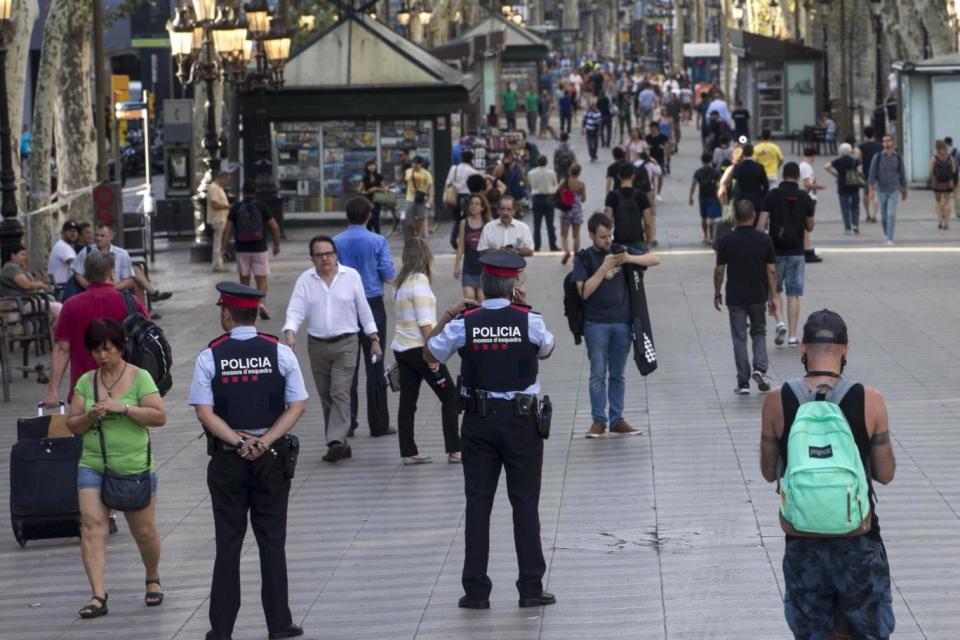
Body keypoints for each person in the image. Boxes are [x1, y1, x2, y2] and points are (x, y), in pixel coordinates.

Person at [424, 252, 556, 611]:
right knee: (525, 502)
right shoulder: (529, 320)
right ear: (513, 285)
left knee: (478, 503)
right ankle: (530, 586)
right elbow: (546, 349)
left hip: (479, 424)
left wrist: (451, 312)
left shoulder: (465, 322)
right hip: (521, 422)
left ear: (483, 285)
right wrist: (524, 310)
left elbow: (430, 353)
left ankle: (476, 590)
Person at [760, 310, 896, 640]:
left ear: (803, 348)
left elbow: (768, 472)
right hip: (857, 541)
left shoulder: (778, 399)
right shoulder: (870, 399)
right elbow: (885, 473)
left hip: (802, 541)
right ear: (846, 350)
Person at [189, 282, 308, 640]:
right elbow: (297, 405)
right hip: (271, 459)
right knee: (272, 542)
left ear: (226, 313)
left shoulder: (210, 355)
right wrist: (265, 441)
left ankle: (221, 628)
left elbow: (204, 413)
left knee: (228, 543)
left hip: (228, 459)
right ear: (255, 313)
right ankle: (279, 624)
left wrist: (239, 441)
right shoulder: (280, 352)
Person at [66, 318, 167, 619]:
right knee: (91, 525)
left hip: (134, 466)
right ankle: (98, 594)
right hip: (93, 464)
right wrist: (91, 417)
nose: (102, 356)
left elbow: (159, 416)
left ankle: (152, 576)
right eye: (96, 351)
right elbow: (72, 424)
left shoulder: (140, 378)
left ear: (120, 346)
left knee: (144, 532)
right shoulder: (86, 382)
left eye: (107, 349)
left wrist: (122, 408)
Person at [283, 236, 380, 463]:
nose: (325, 258)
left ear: (336, 255)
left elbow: (363, 309)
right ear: (313, 258)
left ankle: (334, 441)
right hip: (317, 344)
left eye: (329, 253)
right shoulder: (305, 280)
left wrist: (373, 337)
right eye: (319, 255)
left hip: (346, 343)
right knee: (326, 396)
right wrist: (290, 331)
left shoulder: (351, 276)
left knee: (339, 391)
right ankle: (341, 444)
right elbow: (296, 309)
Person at [573, 213, 660, 438]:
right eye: (602, 237)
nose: (607, 240)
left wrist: (628, 258)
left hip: (623, 322)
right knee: (598, 373)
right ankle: (598, 420)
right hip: (595, 324)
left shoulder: (620, 250)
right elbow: (584, 292)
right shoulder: (584, 258)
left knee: (618, 374)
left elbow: (655, 259)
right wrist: (604, 268)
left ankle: (617, 418)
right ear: (591, 235)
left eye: (609, 235)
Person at [45, 251, 151, 408]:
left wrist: (53, 390)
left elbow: (62, 349)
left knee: (84, 430)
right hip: (128, 391)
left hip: (85, 393)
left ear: (86, 276)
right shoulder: (131, 302)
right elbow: (148, 339)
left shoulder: (71, 305)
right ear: (112, 273)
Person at [391, 238, 461, 465]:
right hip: (420, 349)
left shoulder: (400, 283)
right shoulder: (419, 281)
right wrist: (433, 355)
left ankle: (408, 451)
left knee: (408, 401)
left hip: (402, 348)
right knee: (449, 396)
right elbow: (425, 324)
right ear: (425, 256)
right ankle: (455, 449)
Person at [333, 197, 397, 439]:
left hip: (345, 306)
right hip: (372, 305)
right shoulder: (378, 241)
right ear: (369, 216)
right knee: (375, 364)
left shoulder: (336, 242)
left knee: (346, 366)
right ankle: (379, 423)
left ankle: (347, 423)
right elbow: (389, 274)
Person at [714, 201, 777, 394]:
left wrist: (717, 292)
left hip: (735, 297)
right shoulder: (764, 240)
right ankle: (760, 369)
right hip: (758, 295)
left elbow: (719, 270)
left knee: (739, 338)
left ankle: (743, 383)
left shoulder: (726, 240)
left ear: (735, 216)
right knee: (759, 332)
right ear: (753, 215)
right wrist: (773, 296)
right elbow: (771, 270)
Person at [760, 162, 815, 349]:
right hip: (797, 253)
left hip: (775, 252)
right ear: (798, 176)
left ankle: (780, 322)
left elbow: (761, 224)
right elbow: (810, 225)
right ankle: (792, 337)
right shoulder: (804, 196)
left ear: (783, 175)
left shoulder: (772, 195)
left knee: (774, 291)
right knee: (794, 294)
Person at [222, 179, 282, 319]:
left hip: (242, 249)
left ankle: (246, 307)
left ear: (243, 192)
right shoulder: (262, 206)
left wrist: (223, 248)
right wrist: (276, 244)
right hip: (259, 249)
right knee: (261, 280)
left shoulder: (236, 207)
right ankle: (260, 305)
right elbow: (275, 226)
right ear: (255, 192)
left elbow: (227, 229)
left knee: (244, 281)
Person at [74, 223, 173, 305]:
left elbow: (129, 280)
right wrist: (87, 286)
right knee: (136, 273)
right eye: (97, 235)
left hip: (116, 290)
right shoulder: (87, 252)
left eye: (102, 236)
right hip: (93, 291)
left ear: (111, 237)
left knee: (135, 277)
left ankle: (143, 312)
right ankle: (149, 303)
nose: (99, 238)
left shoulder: (121, 254)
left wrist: (110, 289)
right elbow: (78, 274)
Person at [2, 244, 62, 323]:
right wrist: (39, 284)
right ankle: (57, 332)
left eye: (25, 255)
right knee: (60, 309)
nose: (25, 257)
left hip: (31, 300)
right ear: (13, 255)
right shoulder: (11, 269)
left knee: (60, 309)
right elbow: (26, 285)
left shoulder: (18, 268)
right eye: (22, 254)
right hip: (24, 302)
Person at [867, 134, 908, 245]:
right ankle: (886, 234)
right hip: (881, 189)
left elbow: (902, 174)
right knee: (884, 216)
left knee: (891, 214)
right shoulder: (878, 156)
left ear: (893, 142)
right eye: (884, 141)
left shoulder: (898, 157)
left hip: (894, 189)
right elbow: (872, 175)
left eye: (888, 141)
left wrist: (905, 190)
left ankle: (890, 238)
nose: (886, 143)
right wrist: (871, 191)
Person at [604, 163, 652, 251]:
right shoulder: (642, 195)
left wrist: (607, 241)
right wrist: (648, 242)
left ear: (618, 176)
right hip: (638, 241)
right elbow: (648, 223)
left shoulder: (612, 196)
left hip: (619, 242)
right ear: (633, 175)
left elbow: (608, 221)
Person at [455, 193, 492, 301]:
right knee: (469, 298)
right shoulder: (464, 223)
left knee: (481, 298)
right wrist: (457, 265)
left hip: (484, 269)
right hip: (468, 269)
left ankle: (481, 318)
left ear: (482, 207)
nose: (473, 206)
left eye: (477, 204)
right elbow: (461, 245)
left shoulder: (488, 223)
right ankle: (470, 318)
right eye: (471, 203)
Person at [444, 150, 481, 250]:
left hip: (454, 197)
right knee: (466, 220)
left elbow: (448, 182)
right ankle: (464, 240)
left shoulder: (454, 168)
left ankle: (453, 237)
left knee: (457, 219)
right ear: (471, 159)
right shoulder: (473, 171)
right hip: (467, 197)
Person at [825, 143, 862, 235]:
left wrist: (836, 174)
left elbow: (826, 166)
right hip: (854, 185)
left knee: (845, 207)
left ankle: (847, 228)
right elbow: (860, 171)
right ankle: (856, 225)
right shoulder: (854, 160)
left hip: (842, 185)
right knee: (855, 206)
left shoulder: (838, 161)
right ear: (850, 151)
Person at [799, 147, 826, 263]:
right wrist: (818, 186)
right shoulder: (805, 167)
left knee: (806, 225)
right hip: (809, 197)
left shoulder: (804, 166)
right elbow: (806, 184)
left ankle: (806, 247)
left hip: (810, 197)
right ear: (813, 156)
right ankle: (806, 249)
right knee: (807, 224)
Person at [527, 155, 559, 252]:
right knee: (550, 224)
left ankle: (536, 246)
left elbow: (530, 185)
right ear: (546, 162)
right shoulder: (552, 173)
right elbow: (555, 185)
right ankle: (552, 245)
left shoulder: (531, 173)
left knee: (537, 225)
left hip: (536, 198)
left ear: (537, 162)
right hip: (549, 199)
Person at [690, 153, 722, 245]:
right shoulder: (715, 171)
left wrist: (690, 197)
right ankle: (712, 237)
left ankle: (705, 236)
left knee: (703, 217)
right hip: (713, 196)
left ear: (702, 160)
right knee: (712, 218)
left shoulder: (698, 172)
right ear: (711, 160)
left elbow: (693, 184)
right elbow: (720, 183)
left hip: (702, 197)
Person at [729, 144, 769, 219]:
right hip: (756, 200)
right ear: (753, 152)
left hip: (741, 199)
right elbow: (766, 185)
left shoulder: (738, 167)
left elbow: (734, 178)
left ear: (743, 153)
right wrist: (762, 196)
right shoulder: (759, 167)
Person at [208, 166, 234, 273]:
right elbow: (214, 204)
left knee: (220, 241)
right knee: (218, 242)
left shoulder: (219, 188)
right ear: (222, 178)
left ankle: (219, 263)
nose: (227, 183)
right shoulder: (214, 188)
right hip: (218, 219)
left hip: (222, 218)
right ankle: (217, 265)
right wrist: (228, 206)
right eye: (226, 180)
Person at [559, 164, 586, 265]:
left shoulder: (564, 182)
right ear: (579, 173)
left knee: (564, 235)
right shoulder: (581, 184)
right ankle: (576, 255)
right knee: (576, 235)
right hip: (577, 211)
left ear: (570, 171)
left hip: (566, 210)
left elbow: (557, 192)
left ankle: (566, 252)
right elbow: (584, 199)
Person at [404, 155, 434, 239]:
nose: (414, 165)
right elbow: (406, 182)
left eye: (417, 163)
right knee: (408, 219)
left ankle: (420, 238)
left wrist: (430, 198)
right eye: (413, 163)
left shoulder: (426, 173)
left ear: (420, 164)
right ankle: (415, 231)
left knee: (421, 218)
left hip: (421, 198)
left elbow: (430, 186)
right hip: (409, 198)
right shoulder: (408, 171)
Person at [857, 127, 883, 223]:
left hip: (866, 172)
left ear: (865, 135)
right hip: (878, 172)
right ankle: (874, 214)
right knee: (875, 193)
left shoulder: (861, 147)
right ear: (874, 134)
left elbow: (859, 160)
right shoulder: (880, 146)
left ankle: (868, 213)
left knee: (866, 193)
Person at [930, 139, 956, 230]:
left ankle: (939, 221)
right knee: (947, 202)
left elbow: (932, 171)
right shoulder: (950, 157)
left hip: (937, 182)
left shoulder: (934, 158)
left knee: (938, 201)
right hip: (948, 183)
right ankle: (947, 223)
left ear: (936, 148)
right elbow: (953, 170)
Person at [48, 220, 79, 291]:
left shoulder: (65, 246)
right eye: (70, 231)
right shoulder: (63, 247)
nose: (73, 234)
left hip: (63, 286)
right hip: (61, 288)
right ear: (62, 233)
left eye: (75, 231)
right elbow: (76, 267)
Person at [359, 159, 386, 235]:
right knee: (369, 220)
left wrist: (376, 188)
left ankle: (378, 235)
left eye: (373, 165)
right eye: (369, 165)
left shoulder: (379, 176)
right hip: (368, 200)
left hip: (377, 199)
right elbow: (360, 190)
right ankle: (369, 235)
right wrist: (367, 191)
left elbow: (384, 189)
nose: (372, 167)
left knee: (375, 219)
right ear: (366, 167)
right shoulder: (365, 177)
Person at [645, 121, 669, 201]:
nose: (652, 130)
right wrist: (647, 147)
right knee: (651, 177)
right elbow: (644, 146)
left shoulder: (662, 136)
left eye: (653, 129)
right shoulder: (648, 137)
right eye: (651, 129)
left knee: (660, 176)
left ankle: (658, 193)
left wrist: (664, 147)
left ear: (657, 128)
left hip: (660, 158)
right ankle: (653, 193)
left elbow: (669, 145)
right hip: (651, 159)